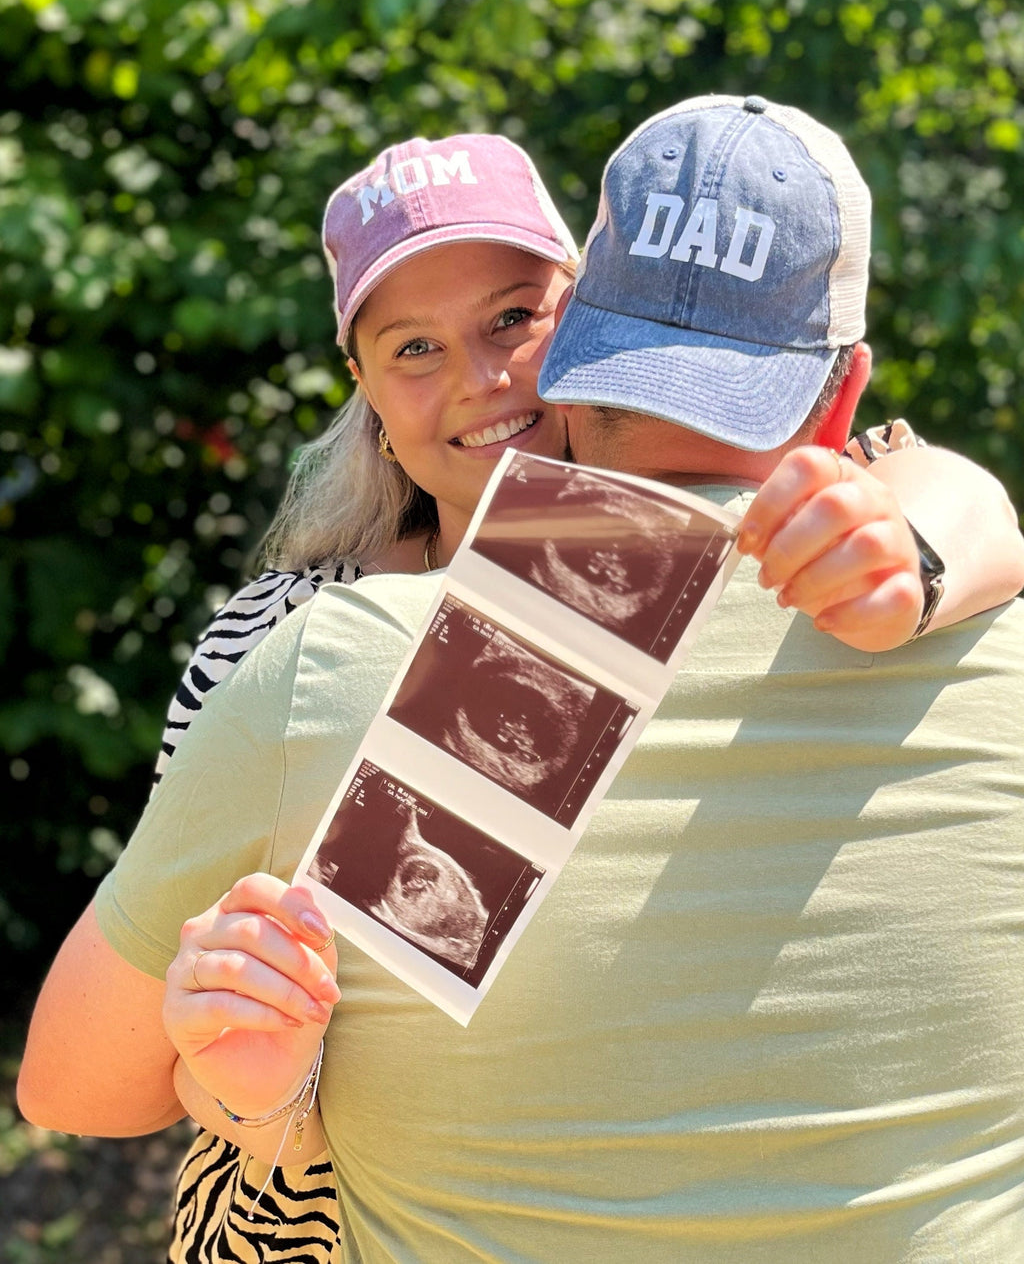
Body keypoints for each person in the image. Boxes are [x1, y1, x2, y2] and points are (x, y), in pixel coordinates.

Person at [18, 101, 1024, 1264]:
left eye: (511, 320)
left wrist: (923, 553)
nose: (486, 378)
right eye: (414, 347)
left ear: (573, 342)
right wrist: (253, 1087)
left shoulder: (405, 663)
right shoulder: (324, 639)